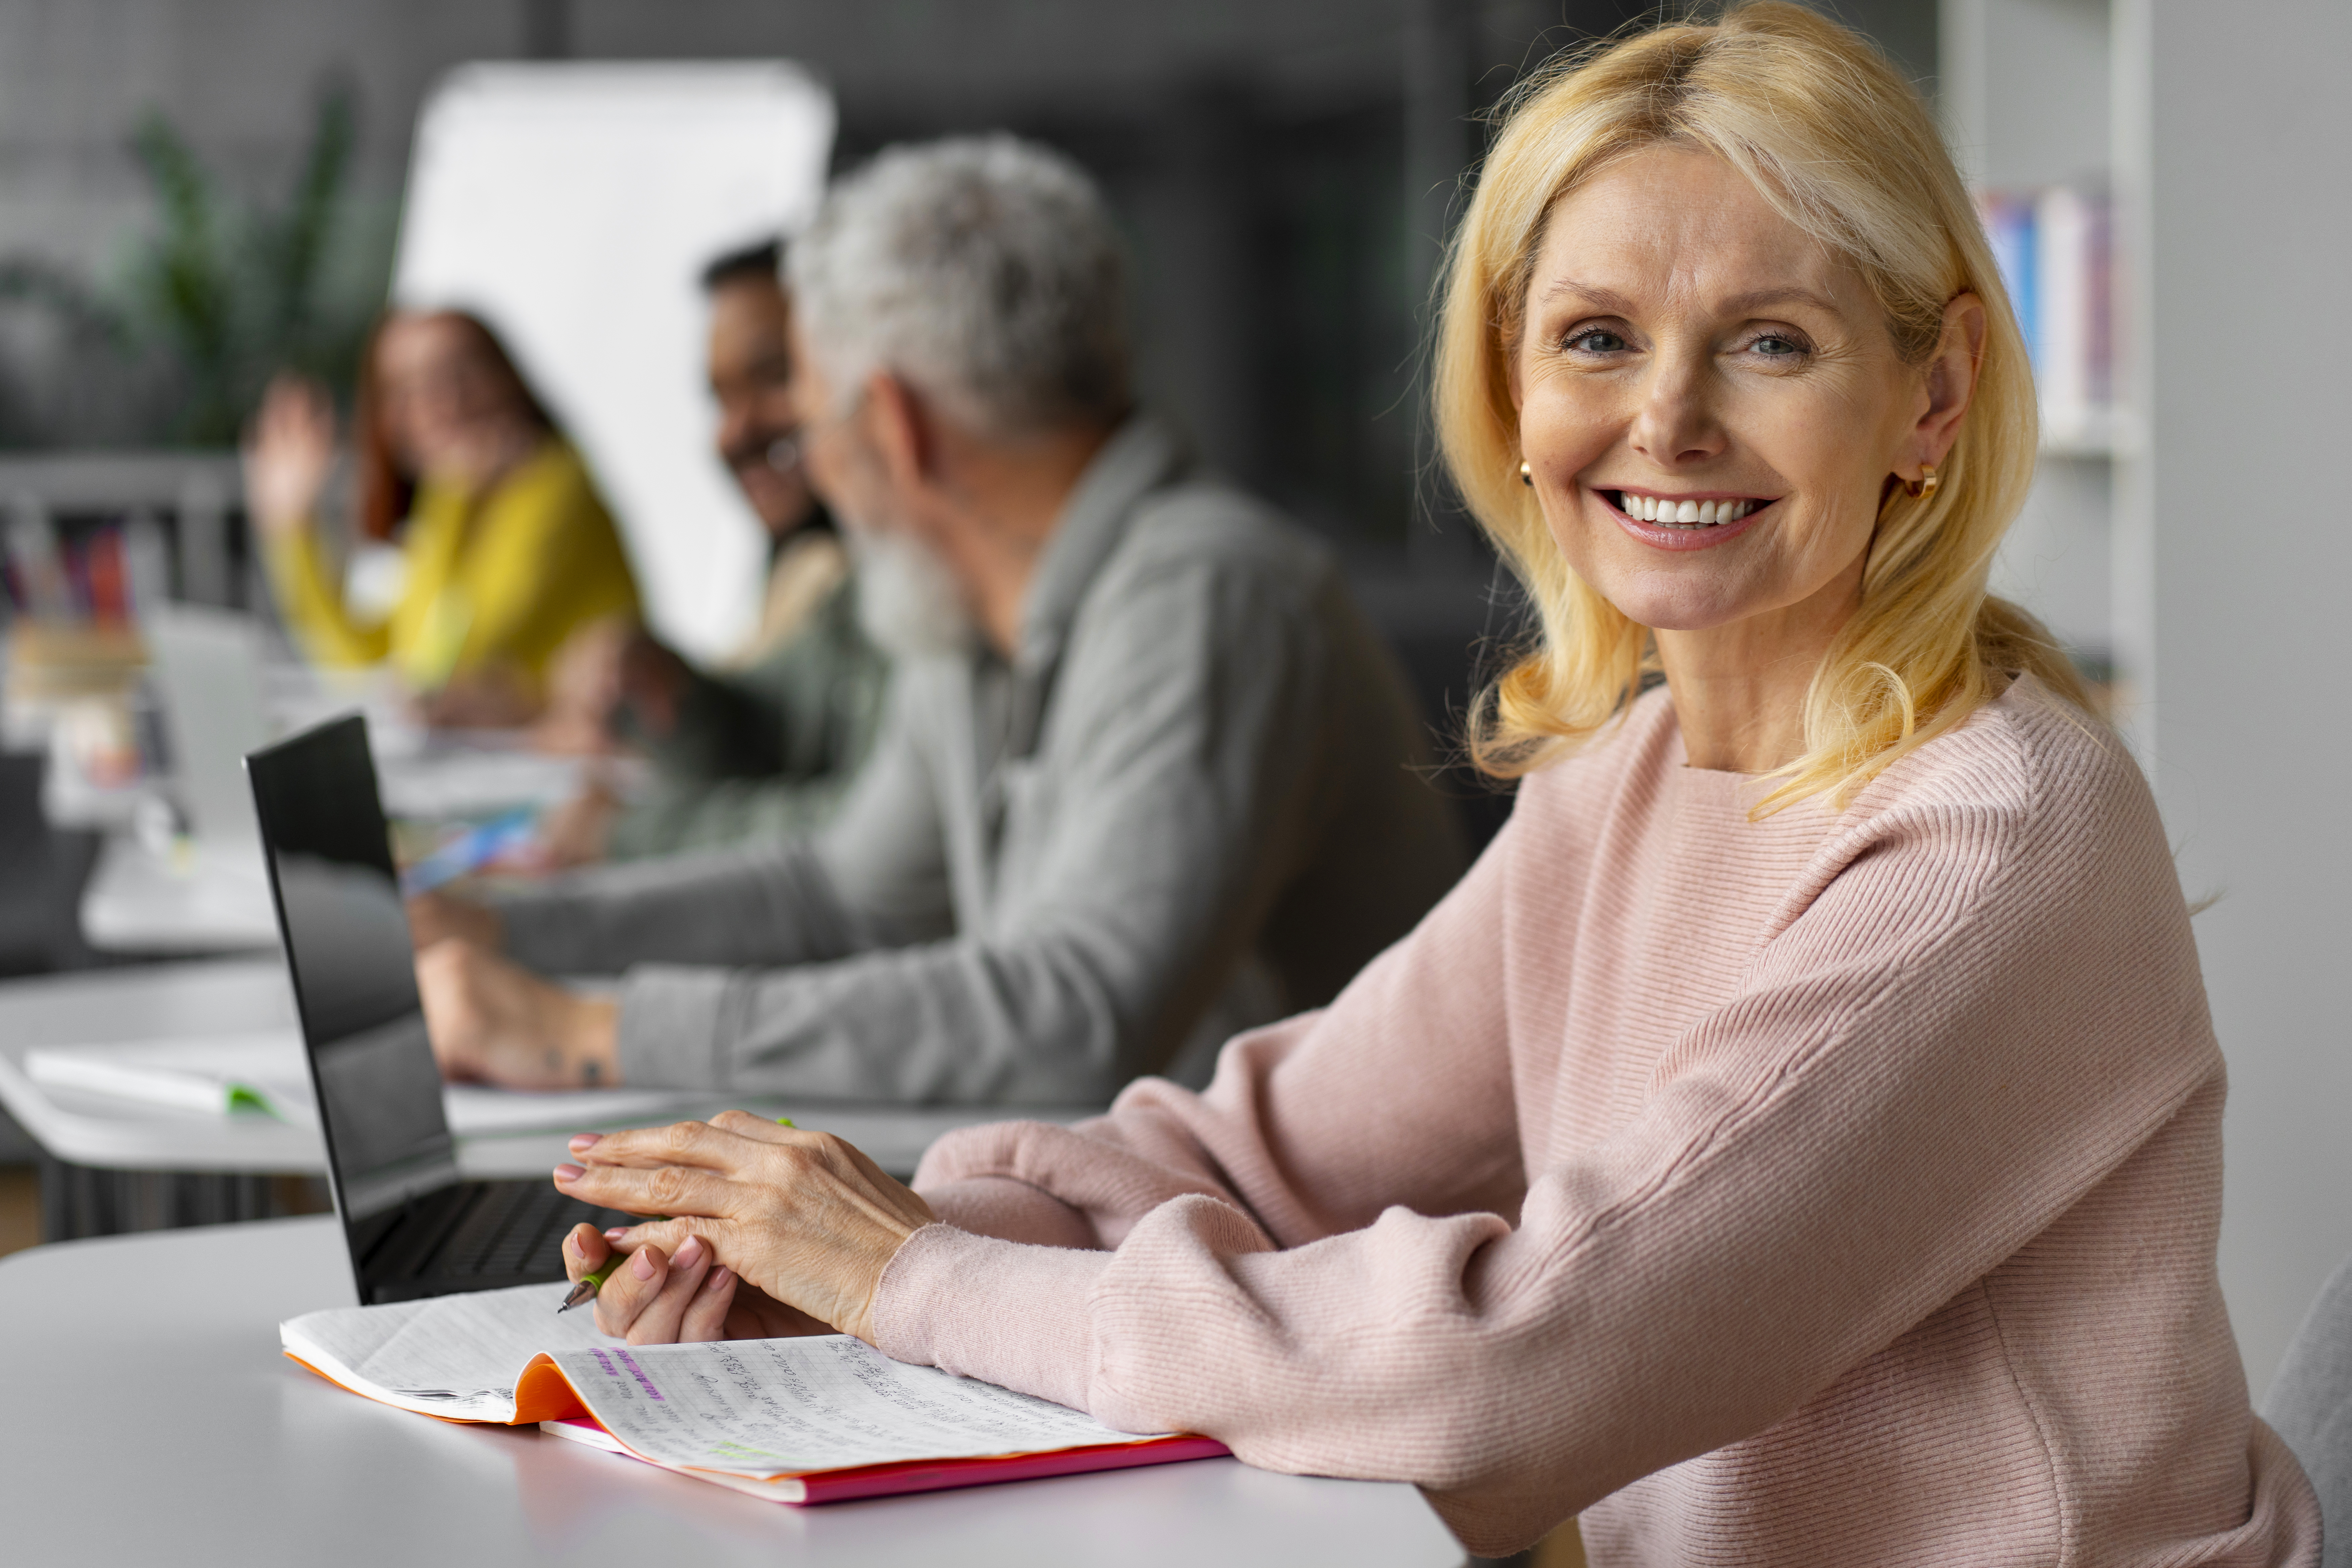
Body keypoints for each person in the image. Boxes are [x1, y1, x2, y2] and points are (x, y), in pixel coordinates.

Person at [534, 9, 2323, 1563]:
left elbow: (1517, 1363)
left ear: (1932, 398)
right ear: (1512, 384)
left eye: (1771, 342)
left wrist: (915, 1286)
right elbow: (1267, 1151)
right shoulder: (1625, 776)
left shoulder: (1988, 837)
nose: (1668, 420)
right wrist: (864, 1239)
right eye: (1597, 337)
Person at [408, 135, 1466, 1104]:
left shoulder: (1211, 596)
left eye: (815, 419)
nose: (813, 460)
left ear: (892, 424)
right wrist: (502, 933)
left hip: (1312, 1266)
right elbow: (840, 897)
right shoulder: (964, 610)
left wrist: (593, 1033)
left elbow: (1072, 1016)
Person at [532, 241, 889, 864]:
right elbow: (773, 744)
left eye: (777, 378)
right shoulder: (823, 569)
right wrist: (669, 688)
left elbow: (884, 833)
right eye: (720, 398)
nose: (734, 432)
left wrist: (630, 836)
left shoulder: (919, 576)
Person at [244, 309, 641, 727]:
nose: (443, 401)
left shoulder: (557, 484)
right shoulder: (452, 496)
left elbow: (451, 665)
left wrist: (457, 497)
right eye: (408, 387)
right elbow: (368, 662)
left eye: (461, 371)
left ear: (507, 378)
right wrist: (292, 529)